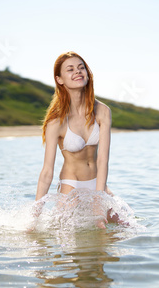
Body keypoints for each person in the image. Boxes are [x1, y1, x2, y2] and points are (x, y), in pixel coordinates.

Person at [34, 51, 115, 229]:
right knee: (64, 237)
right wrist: (35, 215)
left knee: (125, 228)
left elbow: (103, 159)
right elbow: (47, 172)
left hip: (98, 183)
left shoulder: (102, 111)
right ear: (59, 79)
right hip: (72, 186)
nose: (78, 72)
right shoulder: (56, 122)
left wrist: (99, 200)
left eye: (81, 67)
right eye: (70, 69)